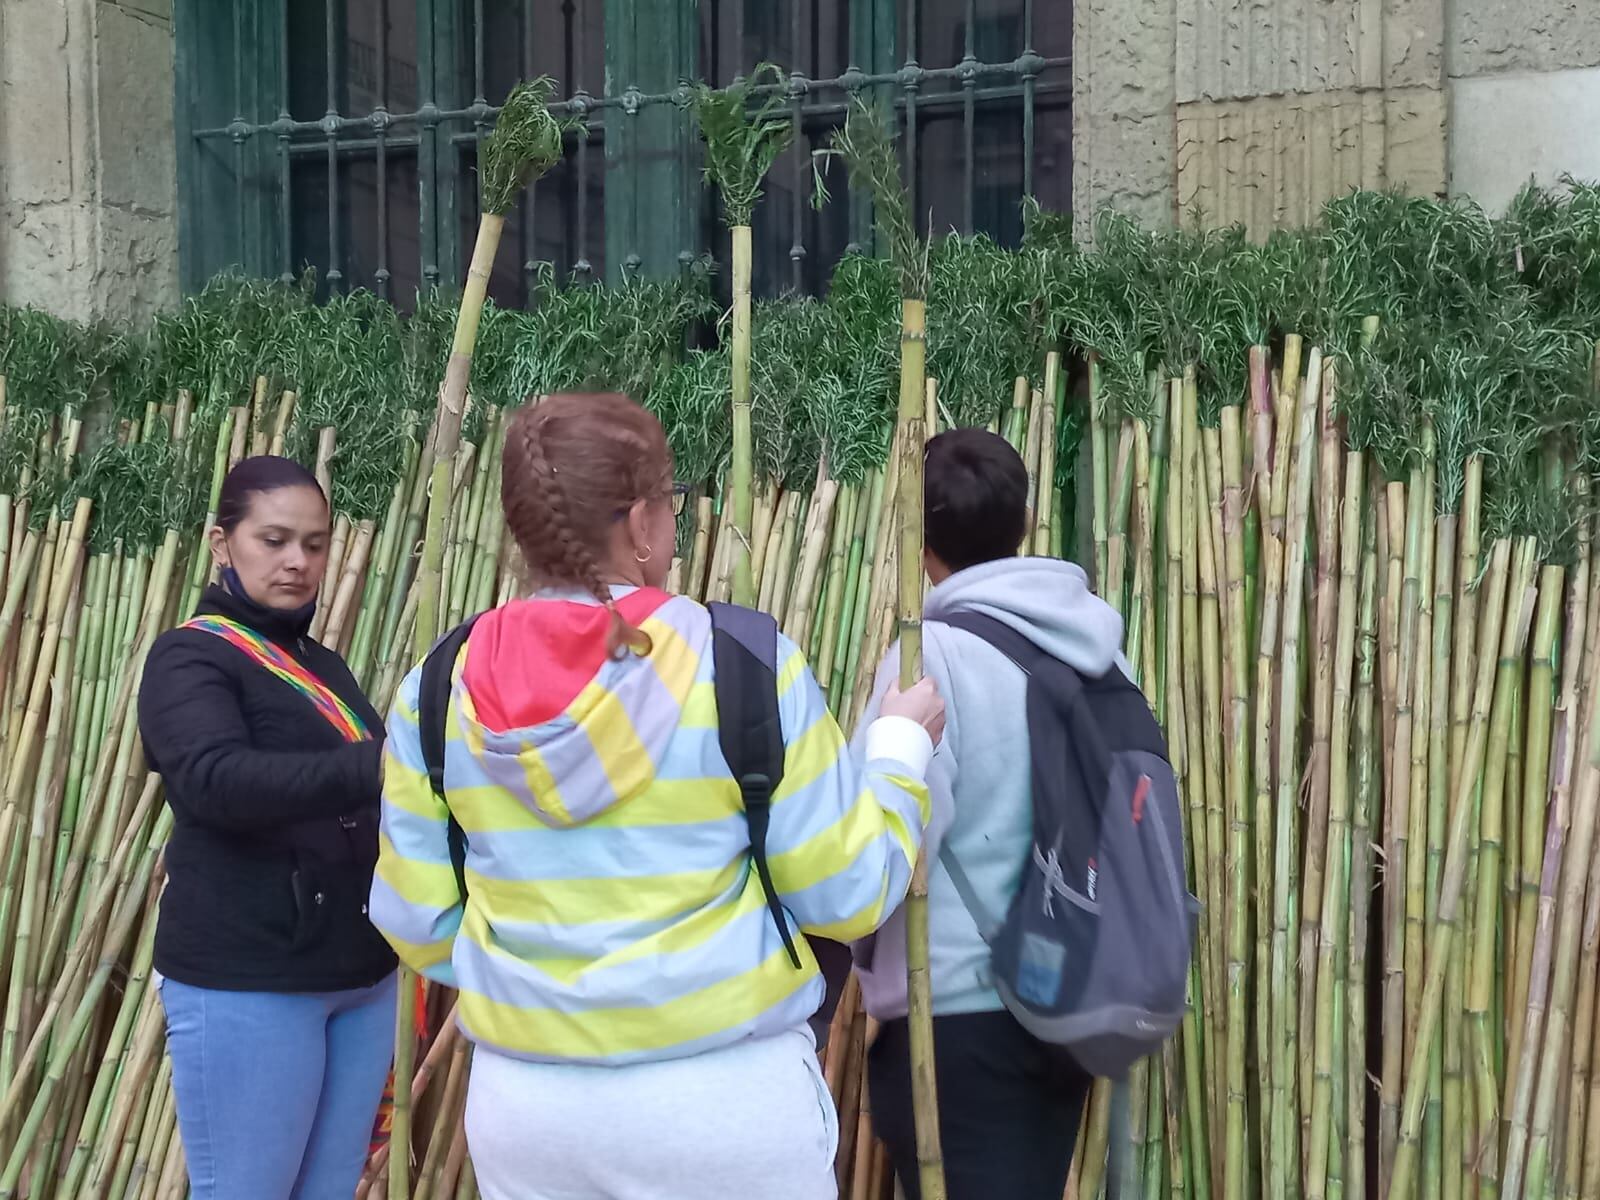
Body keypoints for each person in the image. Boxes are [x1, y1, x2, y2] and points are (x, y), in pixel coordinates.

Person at [369, 391, 944, 1200]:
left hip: (527, 1113)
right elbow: (847, 894)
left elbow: (418, 924)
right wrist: (899, 749)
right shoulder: (743, 662)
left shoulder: (438, 687)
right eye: (668, 503)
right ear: (640, 523)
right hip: (719, 1106)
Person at [852, 428, 1124, 1200]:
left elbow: (885, 842)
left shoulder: (928, 659)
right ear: (1026, 522)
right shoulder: (1099, 649)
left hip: (959, 1015)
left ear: (918, 537)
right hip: (1068, 1005)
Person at [138, 456, 397, 1200]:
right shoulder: (190, 656)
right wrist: (378, 766)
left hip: (360, 973)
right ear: (222, 542)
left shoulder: (321, 663)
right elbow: (216, 784)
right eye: (275, 539)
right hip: (250, 976)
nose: (298, 561)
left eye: (314, 544)